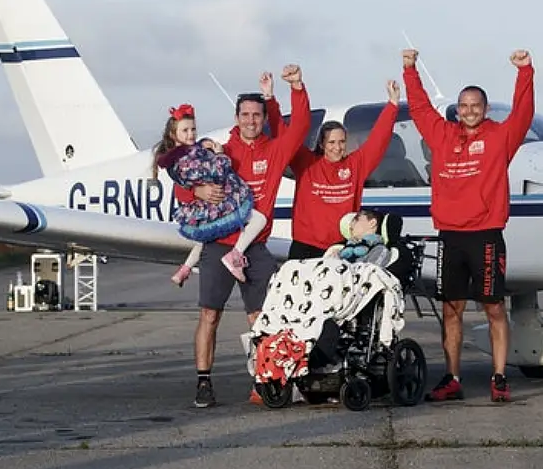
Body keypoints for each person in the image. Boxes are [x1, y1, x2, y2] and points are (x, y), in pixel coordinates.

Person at [402, 47, 535, 403]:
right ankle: (452, 378)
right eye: (464, 106)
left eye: (476, 105)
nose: (470, 110)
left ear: (485, 109)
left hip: (486, 235)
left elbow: (524, 113)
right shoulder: (442, 135)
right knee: (451, 309)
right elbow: (419, 109)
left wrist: (525, 72)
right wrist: (410, 70)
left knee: (493, 307)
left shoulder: (500, 137)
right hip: (451, 236)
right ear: (457, 110)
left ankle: (499, 377)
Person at [182, 64, 311, 408]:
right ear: (236, 117)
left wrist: (296, 88)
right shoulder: (220, 152)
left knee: (264, 318)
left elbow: (300, 126)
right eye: (245, 114)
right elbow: (183, 188)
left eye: (256, 115)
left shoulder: (275, 150)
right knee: (210, 315)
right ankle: (203, 382)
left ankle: (265, 381)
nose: (251, 120)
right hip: (217, 246)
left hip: (255, 248)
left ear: (262, 118)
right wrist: (197, 193)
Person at [266, 80, 401, 260]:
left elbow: (378, 140)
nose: (337, 148)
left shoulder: (356, 165)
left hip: (340, 249)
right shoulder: (306, 163)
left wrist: (392, 104)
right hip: (305, 247)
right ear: (322, 144)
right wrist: (271, 98)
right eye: (331, 142)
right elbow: (283, 134)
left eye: (341, 142)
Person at [152, 105, 268, 287]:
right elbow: (217, 171)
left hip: (202, 209)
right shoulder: (188, 158)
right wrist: (220, 154)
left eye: (193, 129)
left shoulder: (180, 156)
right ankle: (236, 254)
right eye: (185, 130)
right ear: (174, 135)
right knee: (259, 219)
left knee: (207, 236)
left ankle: (185, 268)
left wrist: (203, 145)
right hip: (217, 204)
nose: (191, 134)